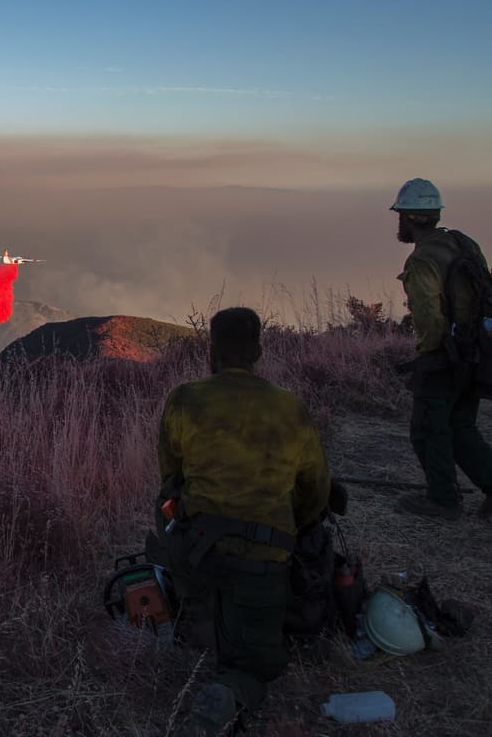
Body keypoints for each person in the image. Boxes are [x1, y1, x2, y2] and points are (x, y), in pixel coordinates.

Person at [155, 307, 331, 736]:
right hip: (265, 561)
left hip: (198, 553)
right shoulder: (290, 407)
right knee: (262, 665)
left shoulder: (184, 398)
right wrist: (298, 526)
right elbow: (315, 490)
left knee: (167, 519)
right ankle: (231, 691)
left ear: (211, 352)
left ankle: (189, 605)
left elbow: (169, 476)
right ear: (258, 351)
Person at [390, 178, 492, 521]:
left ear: (410, 218)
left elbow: (429, 319)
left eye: (401, 215)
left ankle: (443, 500)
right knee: (461, 426)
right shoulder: (461, 243)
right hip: (477, 350)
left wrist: (427, 358)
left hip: (445, 356)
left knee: (427, 429)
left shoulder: (421, 261)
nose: (399, 222)